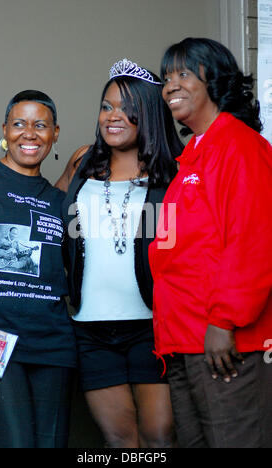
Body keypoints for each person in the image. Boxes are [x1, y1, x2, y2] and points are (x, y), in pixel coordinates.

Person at [149, 37, 272, 448]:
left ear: (214, 81)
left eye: (184, 74)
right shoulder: (194, 155)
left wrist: (224, 321)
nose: (170, 86)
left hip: (224, 340)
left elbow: (252, 240)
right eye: (167, 78)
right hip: (186, 341)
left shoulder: (240, 146)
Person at [56, 58, 184, 448]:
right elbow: (52, 221)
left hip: (152, 326)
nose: (113, 117)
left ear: (148, 116)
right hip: (91, 329)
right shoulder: (82, 166)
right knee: (119, 440)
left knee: (160, 437)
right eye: (107, 106)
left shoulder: (173, 175)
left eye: (128, 110)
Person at [0, 90, 77, 448]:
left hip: (53, 347)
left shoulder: (59, 201)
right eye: (19, 124)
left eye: (40, 125)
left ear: (55, 134)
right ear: (4, 129)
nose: (29, 133)